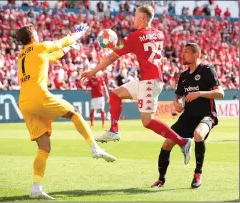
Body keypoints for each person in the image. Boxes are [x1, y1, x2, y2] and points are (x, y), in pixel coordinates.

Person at [17, 23, 116, 200]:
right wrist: (78, 34)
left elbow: (51, 57)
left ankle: (36, 187)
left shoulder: (22, 55)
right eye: (37, 33)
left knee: (44, 147)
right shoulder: (39, 46)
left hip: (24, 102)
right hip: (38, 97)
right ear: (33, 36)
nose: (40, 36)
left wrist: (68, 48)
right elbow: (61, 42)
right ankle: (95, 148)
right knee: (74, 112)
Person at [81, 6, 192, 164]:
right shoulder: (159, 34)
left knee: (147, 121)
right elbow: (139, 47)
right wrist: (120, 46)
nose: (133, 19)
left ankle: (183, 142)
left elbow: (113, 57)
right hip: (148, 80)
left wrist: (93, 71)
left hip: (150, 82)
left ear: (142, 18)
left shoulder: (134, 37)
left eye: (135, 16)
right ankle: (114, 130)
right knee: (115, 94)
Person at [151, 43, 224, 189]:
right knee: (167, 143)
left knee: (198, 134)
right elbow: (177, 97)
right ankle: (161, 179)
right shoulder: (183, 76)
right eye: (182, 52)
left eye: (186, 52)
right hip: (187, 117)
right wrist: (177, 103)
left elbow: (220, 93)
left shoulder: (207, 70)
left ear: (195, 54)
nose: (182, 55)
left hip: (207, 115)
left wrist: (199, 93)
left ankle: (198, 173)